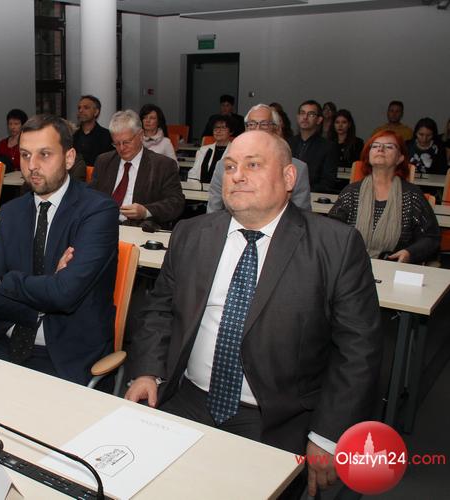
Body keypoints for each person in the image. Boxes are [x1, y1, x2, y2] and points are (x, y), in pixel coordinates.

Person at [125, 130, 383, 499]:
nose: (237, 176)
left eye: (253, 165)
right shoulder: (191, 233)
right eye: (230, 167)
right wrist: (147, 371)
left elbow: (358, 351)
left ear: (289, 177)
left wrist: (328, 435)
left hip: (279, 416)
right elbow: (160, 310)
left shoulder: (335, 245)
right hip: (187, 398)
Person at [0, 114, 119, 385]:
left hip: (66, 353)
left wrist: (7, 281)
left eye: (44, 154)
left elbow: (64, 295)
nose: (32, 165)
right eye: (25, 155)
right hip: (5, 337)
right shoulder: (12, 212)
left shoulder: (97, 210)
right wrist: (37, 305)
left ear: (69, 158)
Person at [329, 131, 440, 263]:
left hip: (395, 267)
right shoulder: (351, 192)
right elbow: (330, 231)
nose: (380, 149)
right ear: (368, 155)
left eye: (389, 146)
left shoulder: (412, 196)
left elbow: (431, 237)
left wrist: (409, 253)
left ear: (400, 158)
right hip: (352, 264)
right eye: (375, 146)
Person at [207, 104, 311, 213]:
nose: (257, 129)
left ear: (276, 129)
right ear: (245, 129)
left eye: (264, 124)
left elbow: (302, 218)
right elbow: (213, 214)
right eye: (251, 124)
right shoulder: (224, 167)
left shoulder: (296, 169)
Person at [91, 110, 185, 227]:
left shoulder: (162, 165)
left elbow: (176, 202)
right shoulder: (104, 161)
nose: (121, 148)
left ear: (140, 135)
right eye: (116, 143)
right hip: (104, 225)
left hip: (140, 228)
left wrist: (146, 211)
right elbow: (91, 196)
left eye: (126, 142)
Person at [288, 100, 339, 193]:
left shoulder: (328, 147)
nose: (305, 117)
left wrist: (302, 190)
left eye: (311, 114)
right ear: (298, 117)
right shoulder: (288, 143)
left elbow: (328, 182)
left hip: (312, 195)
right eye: (302, 113)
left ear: (319, 120)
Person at [188, 116, 231, 183]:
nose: (218, 131)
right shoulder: (203, 150)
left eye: (223, 128)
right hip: (201, 187)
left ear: (231, 131)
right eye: (216, 128)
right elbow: (194, 173)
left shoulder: (235, 151)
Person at [72, 95, 113, 166]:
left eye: (86, 108)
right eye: (79, 108)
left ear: (96, 112)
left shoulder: (107, 136)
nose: (81, 111)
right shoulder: (73, 136)